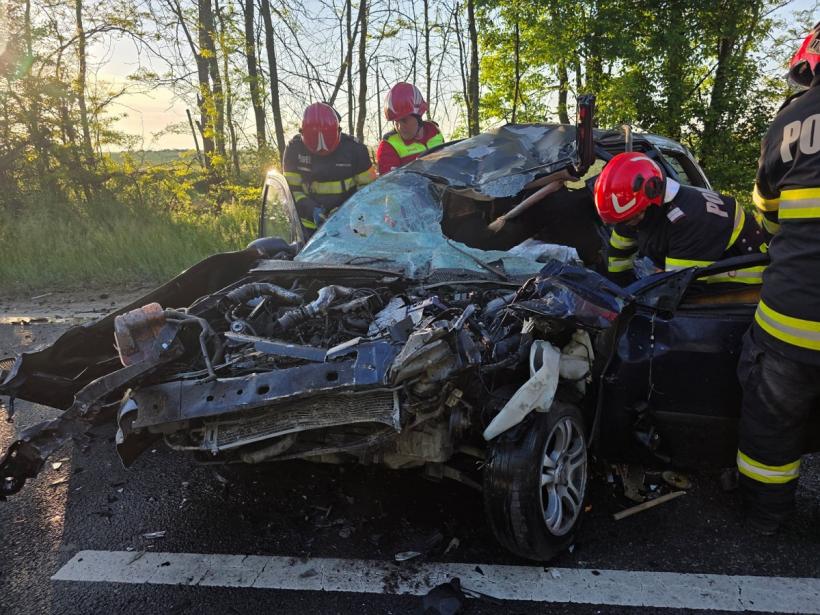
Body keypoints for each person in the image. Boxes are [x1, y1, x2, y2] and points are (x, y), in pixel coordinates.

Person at [735, 23, 820, 534]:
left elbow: (766, 214)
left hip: (792, 316)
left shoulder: (789, 122)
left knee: (771, 422)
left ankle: (767, 518)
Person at [594, 152, 767, 285]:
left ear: (653, 198)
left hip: (745, 280)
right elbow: (617, 258)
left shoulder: (688, 219)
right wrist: (622, 290)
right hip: (700, 271)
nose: (628, 225)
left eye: (633, 217)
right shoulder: (631, 212)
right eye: (624, 220)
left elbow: (678, 286)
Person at [283, 102, 376, 239]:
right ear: (302, 133)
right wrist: (311, 209)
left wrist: (346, 210)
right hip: (308, 229)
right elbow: (291, 192)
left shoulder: (355, 150)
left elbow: (369, 191)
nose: (322, 151)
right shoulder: (294, 150)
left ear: (338, 131)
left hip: (350, 226)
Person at [376, 83, 444, 174]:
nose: (399, 127)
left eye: (404, 120)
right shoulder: (388, 146)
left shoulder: (435, 132)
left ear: (418, 116)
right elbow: (391, 182)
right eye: (396, 121)